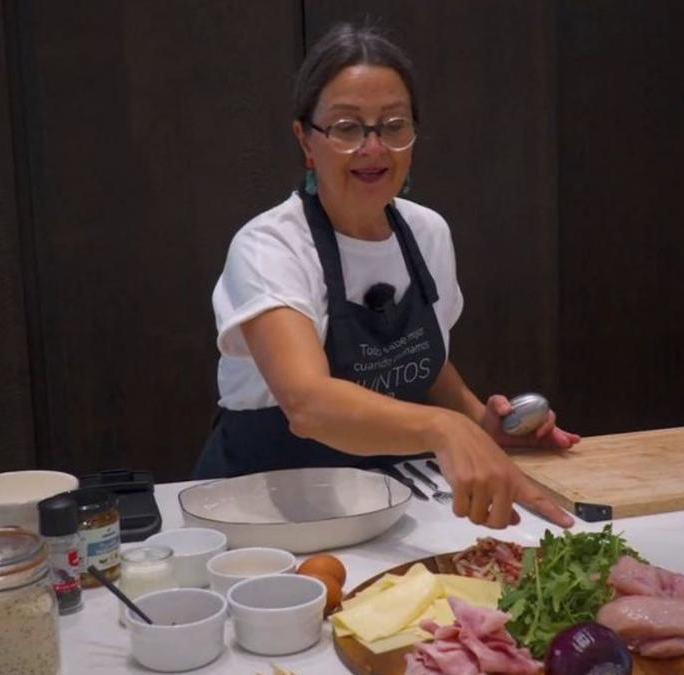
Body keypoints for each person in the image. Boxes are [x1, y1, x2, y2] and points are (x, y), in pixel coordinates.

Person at [196, 23, 578, 530]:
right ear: (306, 141)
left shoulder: (427, 232)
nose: (373, 148)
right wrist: (444, 430)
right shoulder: (270, 246)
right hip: (262, 517)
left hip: (388, 505)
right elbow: (308, 404)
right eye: (347, 127)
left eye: (393, 125)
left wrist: (482, 422)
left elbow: (423, 361)